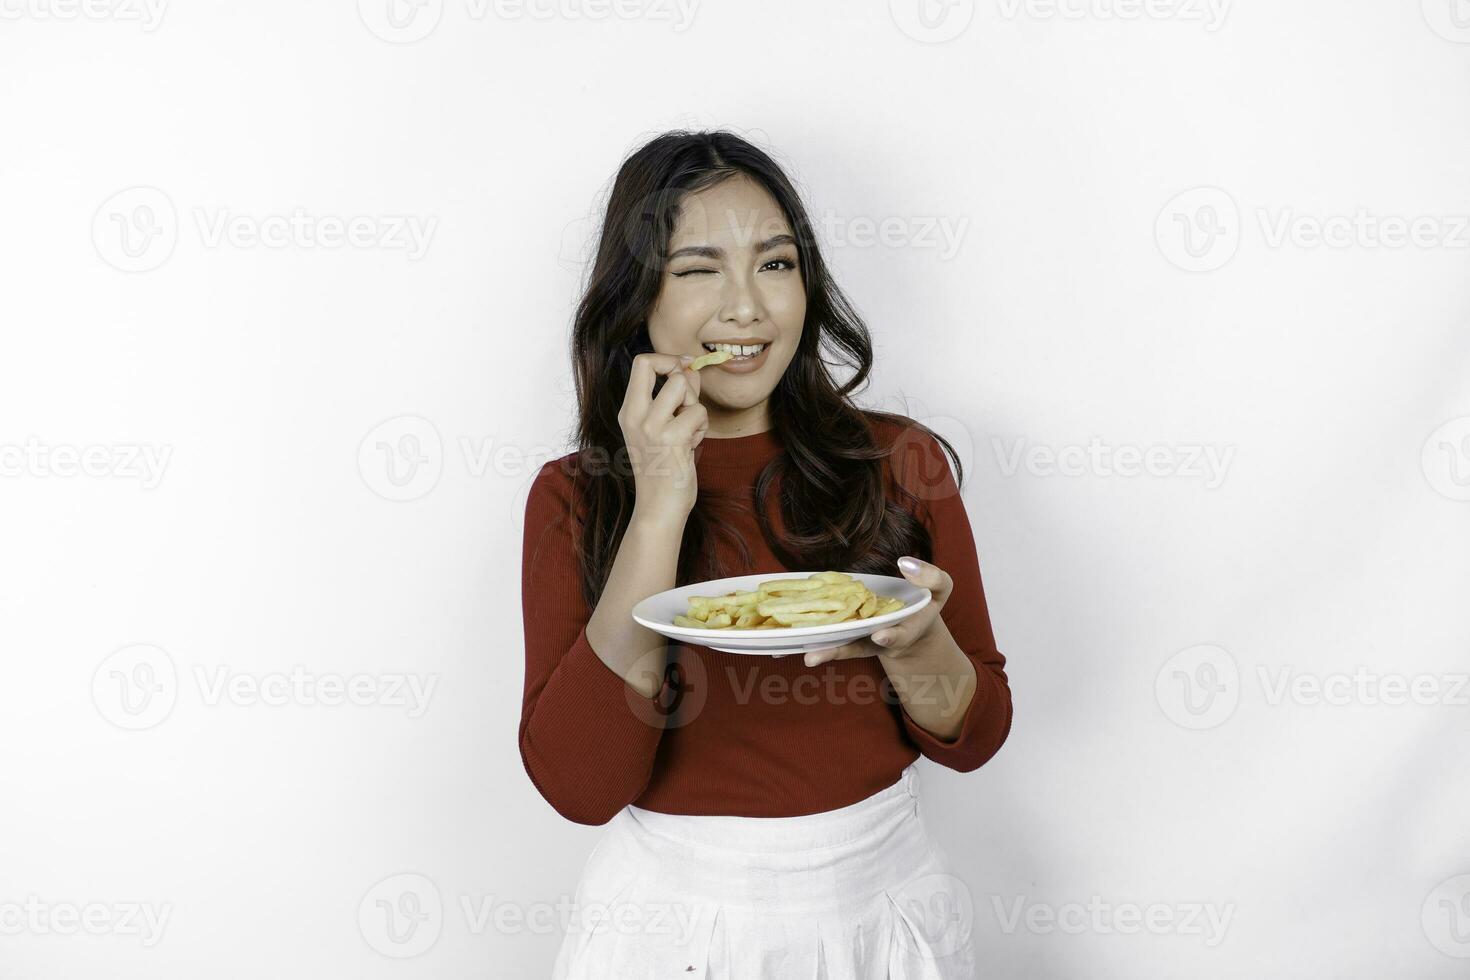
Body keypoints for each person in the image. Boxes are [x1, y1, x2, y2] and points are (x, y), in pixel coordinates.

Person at [519, 129, 1013, 978]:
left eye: (775, 265)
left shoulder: (901, 462)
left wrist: (914, 637)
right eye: (699, 268)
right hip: (671, 930)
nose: (747, 308)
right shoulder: (575, 496)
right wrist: (659, 504)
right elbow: (580, 786)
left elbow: (974, 735)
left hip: (883, 911)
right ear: (639, 297)